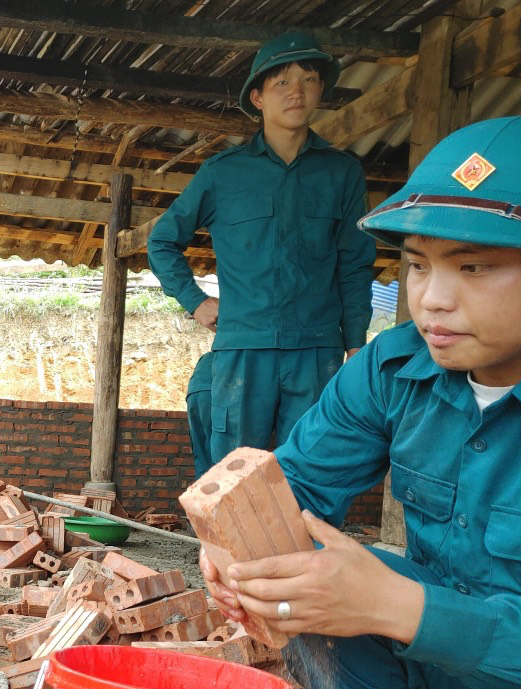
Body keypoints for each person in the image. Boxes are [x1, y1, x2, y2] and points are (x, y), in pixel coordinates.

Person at [202, 112, 521, 689]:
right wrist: (233, 549)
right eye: (417, 264)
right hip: (465, 679)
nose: (432, 298)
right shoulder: (393, 369)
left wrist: (397, 603)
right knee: (292, 561)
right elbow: (292, 489)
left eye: (473, 267)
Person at [149, 32, 376, 462]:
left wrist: (356, 342)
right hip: (243, 347)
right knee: (233, 475)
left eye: (308, 80)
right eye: (282, 83)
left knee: (308, 470)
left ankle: (302, 535)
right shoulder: (223, 173)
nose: (297, 92)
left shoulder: (342, 173)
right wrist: (195, 301)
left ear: (320, 92)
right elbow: (162, 241)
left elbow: (355, 262)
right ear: (257, 97)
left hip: (317, 349)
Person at [185, 352, 215, 479]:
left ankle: (202, 496)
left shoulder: (206, 357)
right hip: (212, 394)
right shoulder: (230, 357)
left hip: (192, 396)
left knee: (201, 455)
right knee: (219, 453)